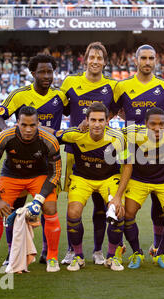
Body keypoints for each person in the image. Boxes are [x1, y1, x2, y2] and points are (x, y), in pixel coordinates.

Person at [0, 54, 68, 265]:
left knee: (46, 208)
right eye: (42, 72)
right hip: (18, 164)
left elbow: (74, 112)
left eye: (50, 72)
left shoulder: (60, 96)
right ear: (32, 73)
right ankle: (12, 253)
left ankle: (45, 253)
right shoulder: (19, 95)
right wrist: (9, 135)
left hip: (47, 164)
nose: (46, 76)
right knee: (14, 211)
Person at [109, 107, 164, 270]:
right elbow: (112, 133)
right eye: (153, 124)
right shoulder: (132, 132)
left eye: (161, 124)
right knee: (127, 214)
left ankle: (159, 253)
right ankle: (137, 252)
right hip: (138, 179)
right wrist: (83, 125)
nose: (157, 128)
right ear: (145, 124)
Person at [113, 44, 164, 260]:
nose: (147, 62)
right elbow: (110, 113)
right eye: (144, 58)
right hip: (132, 153)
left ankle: (157, 246)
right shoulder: (122, 86)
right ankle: (123, 247)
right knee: (126, 208)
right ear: (136, 59)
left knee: (160, 203)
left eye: (151, 58)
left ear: (156, 60)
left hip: (161, 154)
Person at [0, 106, 62, 273]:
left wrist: (39, 199)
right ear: (17, 123)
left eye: (32, 125)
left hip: (39, 176)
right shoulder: (5, 136)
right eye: (24, 125)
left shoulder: (49, 140)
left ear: (38, 123)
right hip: (11, 176)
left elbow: (56, 172)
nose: (28, 129)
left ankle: (52, 258)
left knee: (50, 208)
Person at [59, 42, 120, 266]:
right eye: (91, 57)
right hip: (75, 150)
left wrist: (100, 124)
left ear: (105, 62)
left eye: (99, 58)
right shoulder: (70, 82)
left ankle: (97, 250)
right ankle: (71, 249)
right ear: (85, 59)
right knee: (74, 203)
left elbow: (117, 108)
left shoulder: (113, 85)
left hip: (103, 149)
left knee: (100, 205)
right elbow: (62, 108)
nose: (95, 61)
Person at [53, 102, 131, 272]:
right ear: (86, 121)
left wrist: (118, 196)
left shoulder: (117, 138)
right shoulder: (75, 134)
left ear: (107, 121)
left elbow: (128, 166)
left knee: (118, 211)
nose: (97, 124)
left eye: (101, 120)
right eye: (93, 120)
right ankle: (78, 256)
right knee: (73, 213)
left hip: (109, 178)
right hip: (82, 178)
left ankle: (111, 257)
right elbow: (51, 135)